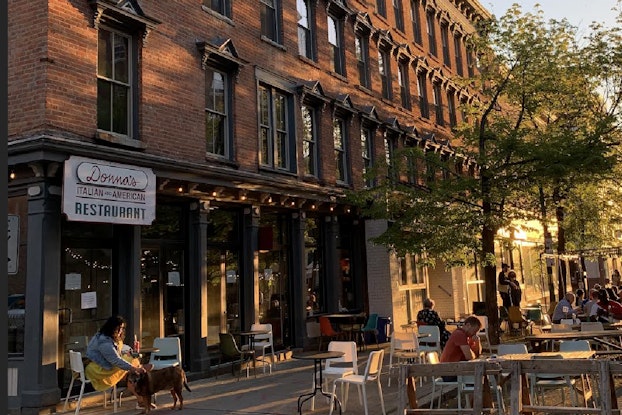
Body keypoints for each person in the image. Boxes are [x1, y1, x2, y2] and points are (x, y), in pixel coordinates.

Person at [85, 316, 153, 407]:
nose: (121, 331)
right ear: (114, 328)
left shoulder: (105, 336)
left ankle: (140, 398)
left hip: (102, 365)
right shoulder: (104, 342)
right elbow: (115, 360)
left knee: (129, 372)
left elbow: (114, 354)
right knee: (131, 362)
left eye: (122, 328)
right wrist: (133, 368)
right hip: (97, 370)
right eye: (120, 328)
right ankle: (140, 371)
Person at [440, 316, 482, 381]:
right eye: (474, 331)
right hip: (449, 372)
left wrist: (477, 342)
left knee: (480, 373)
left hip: (455, 369)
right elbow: (469, 357)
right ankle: (474, 389)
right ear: (468, 325)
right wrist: (473, 353)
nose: (474, 334)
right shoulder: (459, 334)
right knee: (478, 375)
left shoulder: (467, 337)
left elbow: (477, 355)